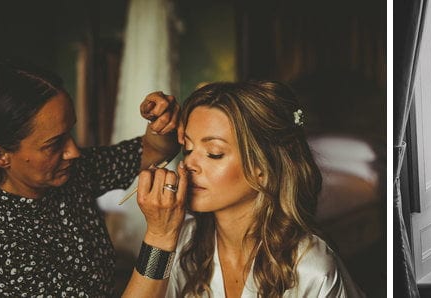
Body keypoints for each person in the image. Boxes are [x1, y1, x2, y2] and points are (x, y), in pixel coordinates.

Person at [0, 58, 181, 296]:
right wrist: (160, 237)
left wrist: (162, 122)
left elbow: (154, 151)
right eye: (54, 144)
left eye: (69, 132)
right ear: (0, 156)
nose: (73, 151)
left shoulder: (72, 173)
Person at [121, 81, 362, 297]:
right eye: (188, 150)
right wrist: (159, 238)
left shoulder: (310, 269)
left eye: (214, 153)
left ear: (263, 169)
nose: (188, 165)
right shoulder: (181, 242)